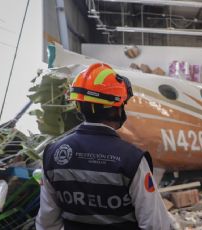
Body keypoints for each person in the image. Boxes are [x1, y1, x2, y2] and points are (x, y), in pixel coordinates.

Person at [36, 63, 172, 230]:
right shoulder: (132, 159)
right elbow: (154, 224)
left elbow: (47, 223)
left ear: (79, 105)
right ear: (116, 109)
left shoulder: (52, 154)